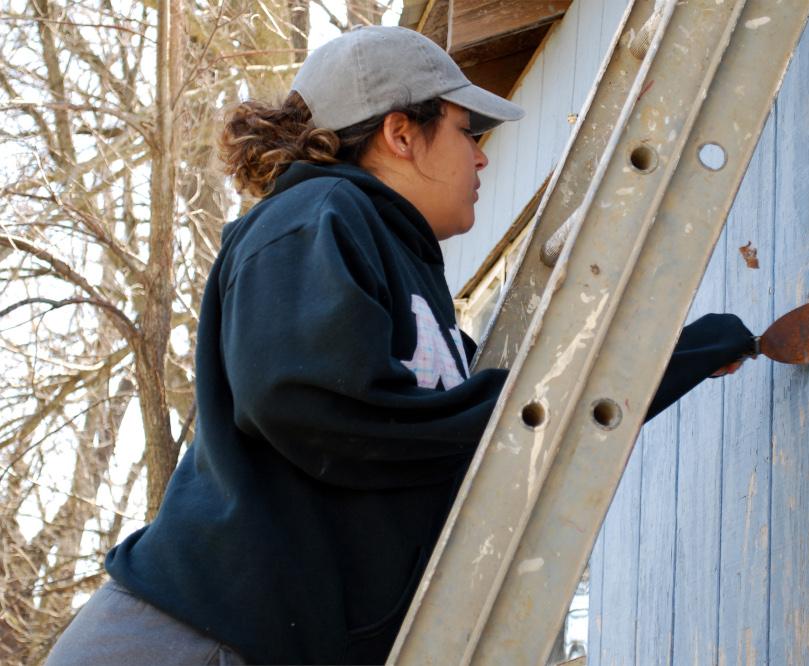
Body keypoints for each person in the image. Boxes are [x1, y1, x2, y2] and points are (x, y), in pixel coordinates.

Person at [46, 26, 755, 666]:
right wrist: (488, 428)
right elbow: (307, 400)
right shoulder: (313, 216)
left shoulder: (398, 266)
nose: (481, 155)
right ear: (401, 133)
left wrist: (689, 353)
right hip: (195, 637)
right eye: (466, 129)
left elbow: (518, 409)